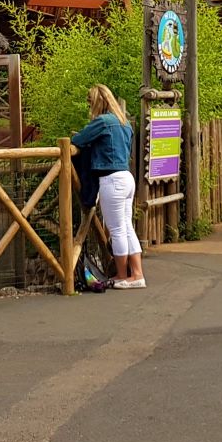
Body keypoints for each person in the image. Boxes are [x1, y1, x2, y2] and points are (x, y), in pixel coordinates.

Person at [73, 84, 141, 289]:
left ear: (97, 102)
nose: (88, 105)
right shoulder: (124, 122)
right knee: (127, 227)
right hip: (127, 178)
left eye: (89, 102)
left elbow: (78, 139)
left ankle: (122, 275)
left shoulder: (102, 122)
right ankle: (137, 274)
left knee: (117, 229)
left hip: (111, 179)